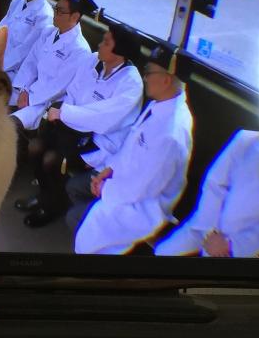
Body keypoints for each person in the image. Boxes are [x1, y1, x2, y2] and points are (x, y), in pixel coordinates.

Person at [154, 86, 259, 258]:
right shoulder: (245, 140)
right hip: (206, 225)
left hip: (236, 247)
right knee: (163, 253)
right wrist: (211, 231)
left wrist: (229, 245)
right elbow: (215, 183)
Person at [18, 24, 145, 228]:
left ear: (120, 52)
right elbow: (73, 92)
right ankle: (43, 193)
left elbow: (104, 119)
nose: (100, 45)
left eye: (106, 42)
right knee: (35, 148)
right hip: (71, 128)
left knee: (52, 160)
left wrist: (66, 114)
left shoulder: (131, 83)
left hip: (98, 142)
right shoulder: (93, 60)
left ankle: (52, 206)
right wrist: (66, 116)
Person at [74, 42, 194, 254]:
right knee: (75, 188)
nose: (145, 78)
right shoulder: (159, 104)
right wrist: (109, 170)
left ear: (166, 80)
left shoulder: (171, 133)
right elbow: (131, 146)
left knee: (78, 220)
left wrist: (106, 188)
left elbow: (144, 188)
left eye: (149, 72)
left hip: (141, 206)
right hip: (122, 182)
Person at [10, 0, 95, 131]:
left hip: (44, 103)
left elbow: (57, 87)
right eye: (56, 8)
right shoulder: (48, 32)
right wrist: (24, 88)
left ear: (74, 17)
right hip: (26, 91)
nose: (55, 13)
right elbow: (31, 62)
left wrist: (30, 98)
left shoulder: (80, 50)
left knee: (8, 124)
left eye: (60, 11)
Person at [0, 0, 54, 84]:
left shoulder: (44, 15)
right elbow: (1, 30)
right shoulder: (17, 1)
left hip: (15, 72)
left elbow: (25, 51)